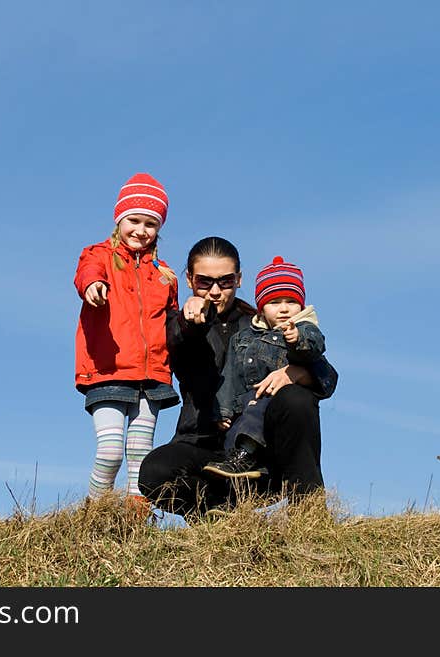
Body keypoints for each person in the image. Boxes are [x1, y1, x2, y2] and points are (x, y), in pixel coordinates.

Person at [138, 237, 338, 519]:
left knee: (296, 396)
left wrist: (299, 372)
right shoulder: (177, 322)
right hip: (201, 445)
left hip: (258, 450)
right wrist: (191, 319)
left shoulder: (264, 322)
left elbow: (328, 375)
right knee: (154, 472)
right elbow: (177, 338)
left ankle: (309, 510)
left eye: (226, 281)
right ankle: (215, 513)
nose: (216, 291)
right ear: (189, 280)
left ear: (239, 279)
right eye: (205, 282)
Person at [73, 172, 180, 509]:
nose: (141, 230)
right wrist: (93, 285)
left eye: (150, 223)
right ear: (119, 219)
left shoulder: (164, 275)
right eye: (134, 220)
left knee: (140, 457)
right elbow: (86, 273)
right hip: (108, 370)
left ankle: (135, 524)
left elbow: (173, 324)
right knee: (109, 451)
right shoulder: (99, 256)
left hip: (152, 376)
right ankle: (96, 512)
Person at [203, 256, 326, 479]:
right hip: (245, 407)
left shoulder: (305, 327)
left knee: (258, 414)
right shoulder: (243, 338)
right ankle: (230, 495)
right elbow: (228, 376)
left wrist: (298, 339)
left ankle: (246, 457)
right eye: (275, 303)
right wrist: (222, 410)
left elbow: (316, 350)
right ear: (261, 308)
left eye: (291, 301)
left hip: (276, 407)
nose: (284, 309)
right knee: (233, 436)